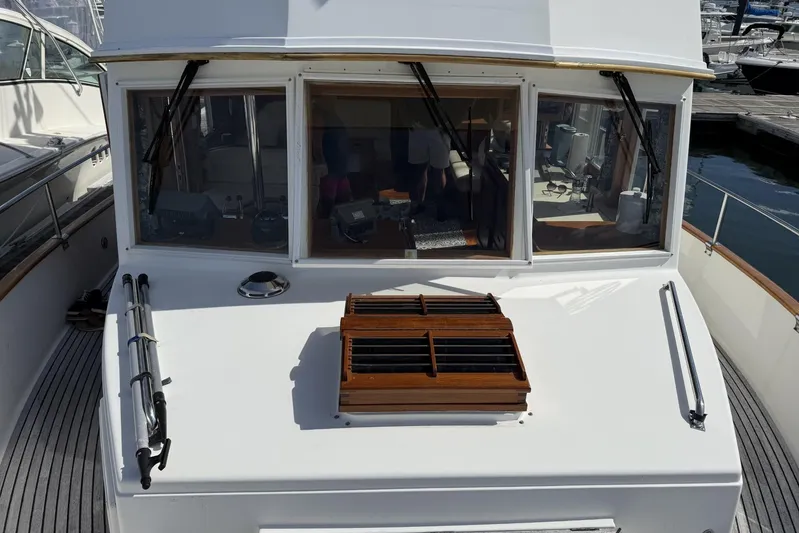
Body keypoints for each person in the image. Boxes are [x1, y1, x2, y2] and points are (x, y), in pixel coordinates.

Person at [312, 97, 352, 218]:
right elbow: (316, 140)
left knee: (345, 205)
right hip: (330, 169)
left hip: (341, 169)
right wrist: (321, 163)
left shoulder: (332, 115)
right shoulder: (319, 114)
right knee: (327, 207)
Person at [407, 120, 451, 218]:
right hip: (417, 127)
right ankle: (418, 204)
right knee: (419, 169)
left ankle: (440, 208)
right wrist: (407, 119)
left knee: (439, 170)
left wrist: (452, 122)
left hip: (440, 129)